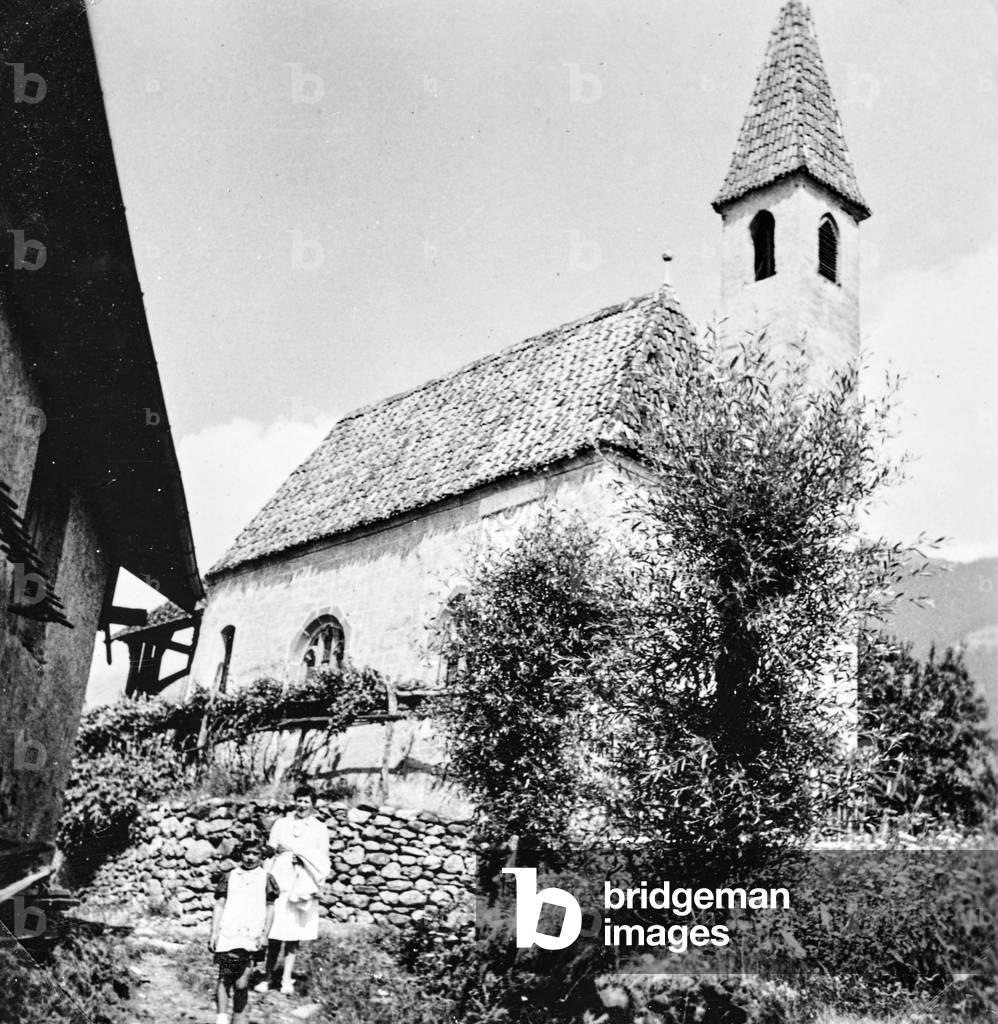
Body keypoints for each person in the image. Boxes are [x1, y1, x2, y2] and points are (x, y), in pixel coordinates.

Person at [255, 783, 331, 995]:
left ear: (313, 804)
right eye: (299, 800)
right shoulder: (281, 824)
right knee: (274, 933)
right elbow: (271, 850)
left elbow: (323, 858)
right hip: (281, 879)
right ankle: (267, 977)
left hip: (302, 884)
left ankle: (286, 979)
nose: (302, 805)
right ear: (294, 802)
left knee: (293, 934)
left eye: (306, 801)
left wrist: (304, 857)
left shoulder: (319, 828)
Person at [208, 837, 279, 1024]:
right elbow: (220, 905)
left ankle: (238, 1016)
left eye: (255, 854)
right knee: (225, 976)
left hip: (251, 934)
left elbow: (270, 908)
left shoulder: (266, 878)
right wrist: (214, 932)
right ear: (240, 854)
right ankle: (222, 1017)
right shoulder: (230, 876)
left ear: (262, 856)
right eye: (247, 853)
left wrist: (265, 934)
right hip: (229, 932)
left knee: (242, 983)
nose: (250, 857)